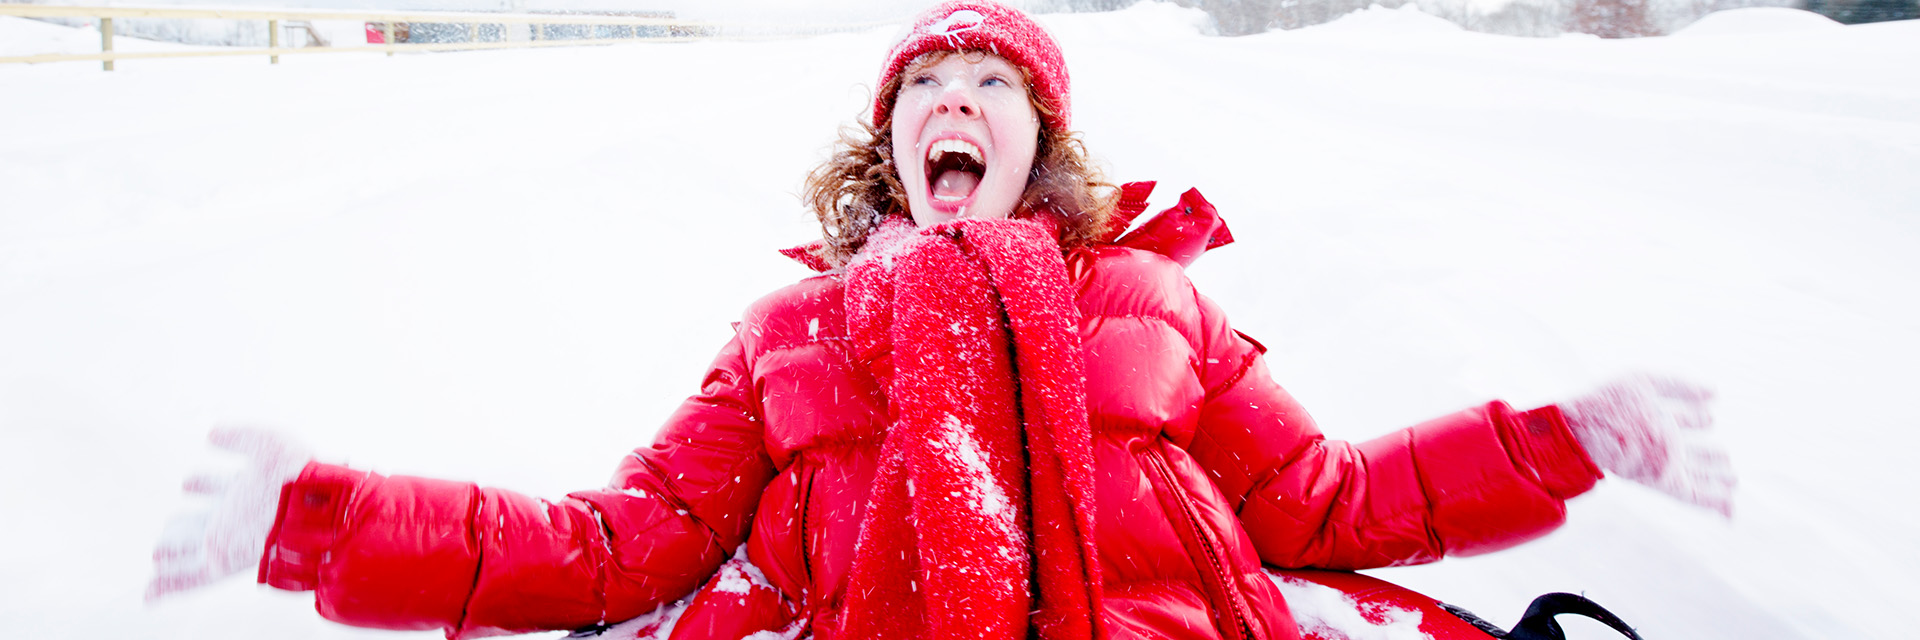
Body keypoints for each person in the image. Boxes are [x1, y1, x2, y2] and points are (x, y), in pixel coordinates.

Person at [146, 2, 1734, 640]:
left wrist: (1559, 442)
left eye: (994, 87)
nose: (956, 102)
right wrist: (320, 517)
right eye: (927, 88)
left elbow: (1318, 504)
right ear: (887, 147)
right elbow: (617, 543)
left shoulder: (1155, 296)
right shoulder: (790, 332)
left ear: (1044, 145)